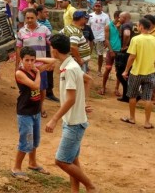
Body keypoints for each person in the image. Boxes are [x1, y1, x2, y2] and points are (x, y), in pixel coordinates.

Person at [45, 34, 98, 193]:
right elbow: (88, 80)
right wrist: (84, 103)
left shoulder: (69, 69)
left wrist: (54, 119)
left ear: (54, 50)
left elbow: (70, 100)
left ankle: (91, 187)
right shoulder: (72, 65)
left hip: (74, 124)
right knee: (72, 161)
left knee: (61, 160)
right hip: (74, 120)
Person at [11, 46, 55, 180]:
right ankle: (16, 168)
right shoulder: (20, 73)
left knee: (35, 140)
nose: (30, 63)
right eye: (27, 60)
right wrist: (37, 72)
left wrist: (37, 61)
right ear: (21, 60)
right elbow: (36, 86)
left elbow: (52, 60)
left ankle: (32, 163)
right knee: (26, 141)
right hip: (25, 112)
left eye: (32, 60)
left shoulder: (34, 68)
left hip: (35, 111)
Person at [120, 18, 155, 129]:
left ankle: (132, 118)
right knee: (147, 98)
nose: (137, 27)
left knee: (132, 96)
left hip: (136, 72)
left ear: (141, 27)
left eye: (138, 25)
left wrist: (126, 70)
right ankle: (147, 122)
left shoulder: (136, 39)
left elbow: (132, 56)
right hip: (150, 72)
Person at [16, 8, 53, 117]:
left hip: (40, 67)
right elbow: (18, 48)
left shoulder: (45, 29)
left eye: (32, 17)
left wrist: (52, 61)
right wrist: (18, 64)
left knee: (42, 88)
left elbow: (51, 45)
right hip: (26, 67)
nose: (29, 20)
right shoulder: (21, 31)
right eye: (27, 18)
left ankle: (41, 107)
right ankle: (30, 107)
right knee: (28, 89)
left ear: (37, 17)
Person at [36, 5, 59, 102]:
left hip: (48, 49)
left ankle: (49, 92)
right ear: (39, 13)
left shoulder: (46, 22)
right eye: (45, 12)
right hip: (40, 50)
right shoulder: (36, 23)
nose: (47, 13)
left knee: (49, 70)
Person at [101, 10, 123, 97]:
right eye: (121, 17)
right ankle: (103, 87)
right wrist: (111, 50)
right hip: (112, 50)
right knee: (108, 68)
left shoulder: (123, 26)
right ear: (117, 17)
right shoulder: (108, 26)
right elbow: (106, 39)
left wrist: (119, 28)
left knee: (119, 71)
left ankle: (116, 88)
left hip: (120, 51)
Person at [89, 2, 110, 78]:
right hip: (91, 38)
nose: (97, 7)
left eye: (99, 6)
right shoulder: (90, 15)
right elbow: (88, 26)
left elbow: (108, 28)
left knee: (100, 54)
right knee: (88, 53)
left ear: (102, 7)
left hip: (101, 38)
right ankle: (87, 66)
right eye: (96, 6)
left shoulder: (105, 16)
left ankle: (99, 70)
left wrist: (106, 39)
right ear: (94, 7)